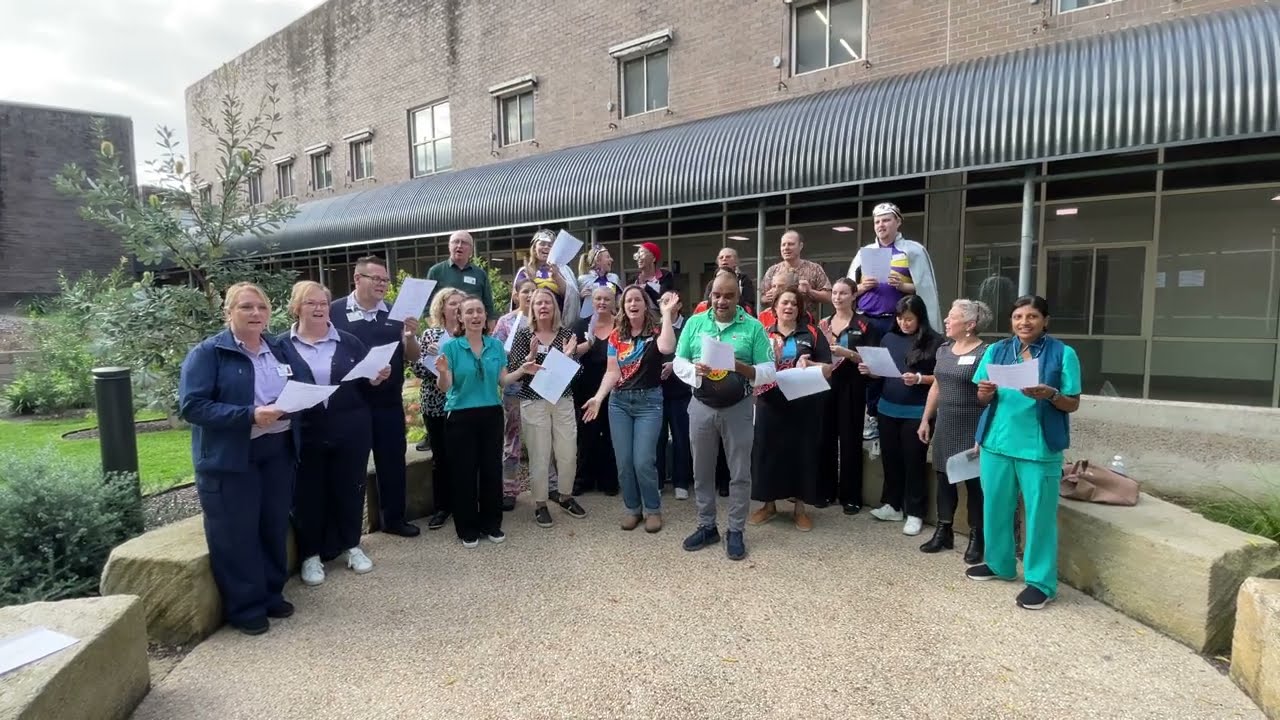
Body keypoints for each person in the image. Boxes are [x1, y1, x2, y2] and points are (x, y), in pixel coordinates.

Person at [178, 282, 311, 636]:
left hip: (278, 451)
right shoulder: (208, 354)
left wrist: (297, 401)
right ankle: (245, 606)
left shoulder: (278, 348)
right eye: (246, 308)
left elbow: (305, 380)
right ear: (229, 313)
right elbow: (192, 406)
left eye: (262, 308)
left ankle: (270, 593)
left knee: (272, 524)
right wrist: (250, 415)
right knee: (236, 533)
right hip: (232, 458)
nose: (256, 314)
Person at [967, 295, 1081, 611]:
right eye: (1018, 317)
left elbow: (1072, 402)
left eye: (1032, 316)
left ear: (1045, 320)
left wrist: (1051, 394)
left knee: (1039, 517)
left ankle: (1041, 583)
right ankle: (999, 564)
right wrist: (985, 392)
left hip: (1038, 448)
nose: (1024, 323)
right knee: (995, 508)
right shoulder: (997, 350)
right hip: (997, 443)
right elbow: (982, 396)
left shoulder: (1063, 354)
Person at [285, 281, 391, 587]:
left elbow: (364, 382)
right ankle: (311, 554)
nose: (319, 309)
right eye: (310, 303)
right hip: (306, 432)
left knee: (350, 488)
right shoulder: (282, 346)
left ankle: (351, 545)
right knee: (307, 494)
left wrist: (376, 378)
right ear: (297, 308)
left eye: (322, 303)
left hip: (350, 429)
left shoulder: (348, 342)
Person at [673, 270, 776, 561]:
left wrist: (741, 367)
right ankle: (707, 526)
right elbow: (678, 361)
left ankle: (735, 531)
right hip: (701, 407)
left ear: (738, 297)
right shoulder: (695, 323)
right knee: (701, 472)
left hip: (738, 407)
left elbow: (769, 370)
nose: (721, 301)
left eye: (728, 296)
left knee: (740, 473)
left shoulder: (754, 328)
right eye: (717, 294)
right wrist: (694, 370)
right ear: (710, 294)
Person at [434, 296, 541, 548]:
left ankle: (491, 523)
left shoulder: (495, 346)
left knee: (492, 471)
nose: (475, 316)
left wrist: (523, 370)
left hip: (491, 413)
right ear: (460, 317)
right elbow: (446, 386)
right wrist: (441, 372)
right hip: (460, 416)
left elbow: (503, 381)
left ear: (485, 317)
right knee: (464, 473)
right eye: (469, 312)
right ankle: (467, 527)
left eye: (479, 311)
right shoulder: (450, 348)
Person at [329, 256, 422, 537]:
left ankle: (394, 520)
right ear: (358, 279)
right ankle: (346, 532)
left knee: (392, 463)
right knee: (349, 469)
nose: (383, 284)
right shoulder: (334, 312)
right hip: (350, 404)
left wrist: (410, 337)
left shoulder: (396, 313)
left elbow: (412, 358)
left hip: (388, 402)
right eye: (376, 279)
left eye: (385, 280)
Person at [582, 286, 678, 532]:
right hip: (619, 403)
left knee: (643, 461)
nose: (633, 304)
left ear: (645, 304)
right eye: (628, 301)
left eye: (638, 300)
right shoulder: (616, 336)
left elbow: (667, 347)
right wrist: (598, 397)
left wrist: (666, 313)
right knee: (624, 462)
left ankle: (653, 509)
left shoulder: (656, 330)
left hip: (649, 402)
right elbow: (612, 372)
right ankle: (633, 509)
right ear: (622, 307)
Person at [847, 202, 940, 441]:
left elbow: (925, 287)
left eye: (886, 220)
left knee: (894, 369)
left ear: (898, 222)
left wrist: (903, 286)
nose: (881, 225)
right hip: (867, 319)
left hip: (896, 323)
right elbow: (847, 289)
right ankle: (870, 416)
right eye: (877, 221)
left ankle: (893, 415)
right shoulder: (864, 252)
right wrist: (861, 287)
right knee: (867, 369)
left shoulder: (912, 250)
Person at [748, 286, 832, 532]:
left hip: (803, 404)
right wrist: (769, 359)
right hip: (769, 403)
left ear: (799, 309)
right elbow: (752, 368)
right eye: (784, 303)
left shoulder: (813, 334)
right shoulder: (762, 334)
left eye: (793, 304)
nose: (788, 307)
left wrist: (811, 363)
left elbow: (828, 368)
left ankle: (800, 509)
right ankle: (768, 505)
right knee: (766, 453)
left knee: (803, 453)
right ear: (774, 308)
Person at [859, 294, 943, 537]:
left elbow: (940, 377)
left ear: (920, 318)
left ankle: (915, 512)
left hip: (917, 411)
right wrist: (870, 370)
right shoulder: (889, 337)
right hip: (887, 407)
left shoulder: (934, 341)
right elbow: (883, 373)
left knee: (913, 461)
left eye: (909, 319)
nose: (904, 323)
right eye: (900, 318)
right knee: (891, 459)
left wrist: (919, 379)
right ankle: (893, 505)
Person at [507, 287, 588, 527]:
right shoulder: (524, 335)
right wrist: (528, 359)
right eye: (538, 303)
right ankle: (540, 503)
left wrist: (570, 355)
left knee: (567, 451)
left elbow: (576, 373)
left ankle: (565, 495)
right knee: (539, 454)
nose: (543, 307)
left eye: (548, 303)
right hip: (534, 400)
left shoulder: (566, 334)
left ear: (555, 308)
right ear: (532, 308)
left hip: (563, 399)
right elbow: (516, 370)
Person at [918, 299, 992, 562]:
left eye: (952, 317)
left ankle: (977, 536)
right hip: (946, 424)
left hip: (973, 425)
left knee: (974, 485)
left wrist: (984, 434)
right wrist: (926, 419)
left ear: (970, 324)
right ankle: (943, 530)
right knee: (943, 479)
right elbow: (936, 386)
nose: (947, 321)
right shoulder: (944, 350)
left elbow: (990, 395)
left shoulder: (986, 353)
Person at [818, 277, 879, 514]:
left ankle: (851, 496)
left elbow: (873, 360)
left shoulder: (864, 324)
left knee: (851, 440)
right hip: (826, 384)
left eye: (843, 293)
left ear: (854, 295)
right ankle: (825, 491)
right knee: (825, 438)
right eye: (834, 293)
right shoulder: (823, 323)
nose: (837, 297)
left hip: (852, 386)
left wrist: (850, 354)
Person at [409, 287, 465, 531]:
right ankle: (443, 507)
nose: (457, 307)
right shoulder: (431, 335)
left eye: (461, 303)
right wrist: (428, 358)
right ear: (442, 307)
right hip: (436, 405)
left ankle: (465, 502)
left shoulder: (468, 335)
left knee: (464, 456)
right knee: (441, 458)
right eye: (453, 303)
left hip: (465, 403)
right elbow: (418, 371)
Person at [492, 278, 544, 511]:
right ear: (516, 296)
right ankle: (509, 489)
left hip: (540, 388)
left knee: (542, 440)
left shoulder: (544, 318)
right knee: (511, 441)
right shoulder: (506, 322)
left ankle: (547, 486)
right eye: (525, 292)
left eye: (534, 291)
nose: (530, 295)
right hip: (513, 387)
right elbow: (495, 353)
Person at [572, 286, 619, 496]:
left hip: (613, 389)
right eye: (598, 299)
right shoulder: (580, 326)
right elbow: (567, 355)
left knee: (610, 435)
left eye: (606, 299)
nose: (601, 303)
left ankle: (609, 479)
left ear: (613, 302)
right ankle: (584, 479)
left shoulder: (620, 325)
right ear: (591, 301)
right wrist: (582, 348)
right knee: (586, 435)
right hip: (584, 389)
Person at [656, 292, 693, 500]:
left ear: (679, 305)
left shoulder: (688, 325)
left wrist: (675, 365)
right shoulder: (655, 325)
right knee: (658, 438)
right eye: (663, 302)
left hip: (681, 392)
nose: (666, 305)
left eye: (670, 301)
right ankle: (659, 480)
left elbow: (694, 352)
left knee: (681, 438)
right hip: (658, 392)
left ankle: (681, 482)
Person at [426, 230, 497, 330]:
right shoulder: (436, 272)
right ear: (449, 246)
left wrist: (489, 332)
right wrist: (438, 330)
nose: (459, 245)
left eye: (464, 243)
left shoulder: (480, 274)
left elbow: (489, 308)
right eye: (455, 242)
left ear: (471, 250)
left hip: (473, 331)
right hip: (445, 332)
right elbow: (427, 307)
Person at [513, 229, 580, 326]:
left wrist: (557, 276)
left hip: (558, 321)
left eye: (550, 245)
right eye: (542, 244)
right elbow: (516, 298)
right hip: (530, 322)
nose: (546, 247)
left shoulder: (564, 270)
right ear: (534, 248)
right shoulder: (525, 271)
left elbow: (571, 296)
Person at [761, 229, 832, 309]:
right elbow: (762, 298)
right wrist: (767, 298)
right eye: (783, 245)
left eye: (790, 244)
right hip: (778, 319)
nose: (786, 248)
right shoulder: (772, 271)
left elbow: (829, 297)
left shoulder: (814, 269)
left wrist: (810, 291)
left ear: (800, 246)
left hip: (807, 319)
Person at [701, 247, 756, 316]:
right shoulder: (711, 283)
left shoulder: (744, 280)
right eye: (721, 257)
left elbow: (749, 305)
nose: (724, 259)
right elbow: (706, 304)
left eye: (728, 257)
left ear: (736, 261)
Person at [630, 241, 674, 307]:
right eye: (637, 254)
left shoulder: (666, 276)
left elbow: (664, 303)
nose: (638, 257)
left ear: (653, 258)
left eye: (642, 253)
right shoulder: (634, 279)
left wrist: (647, 288)